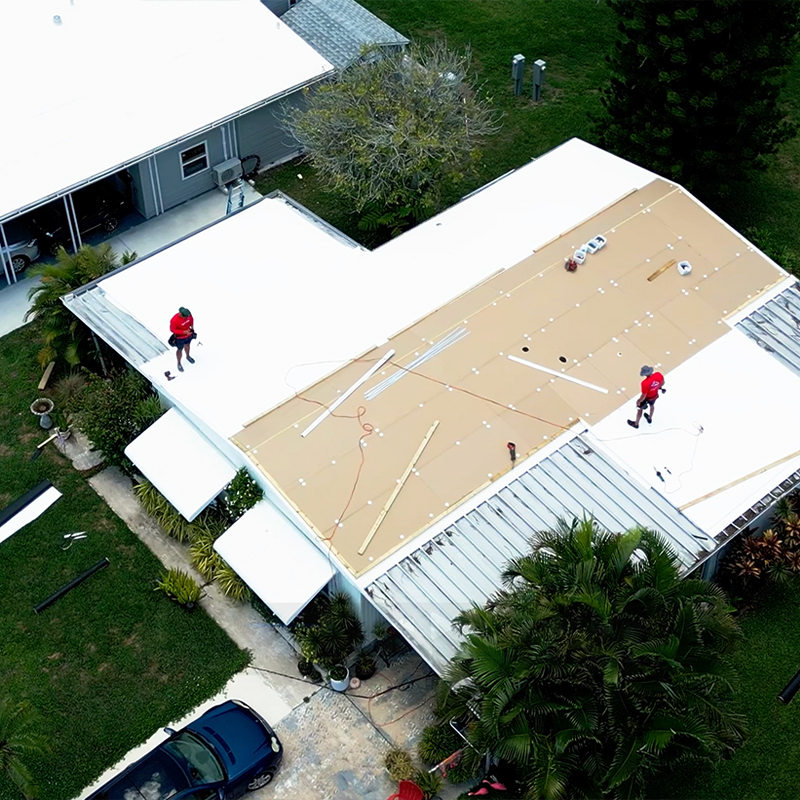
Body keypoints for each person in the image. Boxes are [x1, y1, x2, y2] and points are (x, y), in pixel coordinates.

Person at [627, 365, 665, 429]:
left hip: (647, 397)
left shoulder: (644, 383)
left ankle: (636, 424)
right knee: (652, 405)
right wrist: (657, 388)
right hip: (654, 395)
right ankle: (649, 418)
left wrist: (639, 401)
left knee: (640, 409)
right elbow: (662, 382)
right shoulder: (658, 374)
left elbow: (644, 395)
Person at [169, 307, 195, 372]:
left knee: (188, 345)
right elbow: (172, 329)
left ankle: (188, 356)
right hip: (180, 338)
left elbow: (191, 320)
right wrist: (183, 332)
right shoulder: (174, 320)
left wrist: (192, 327)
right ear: (180, 314)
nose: (186, 318)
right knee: (180, 349)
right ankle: (179, 363)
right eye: (185, 317)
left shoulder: (188, 315)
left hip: (188, 335)